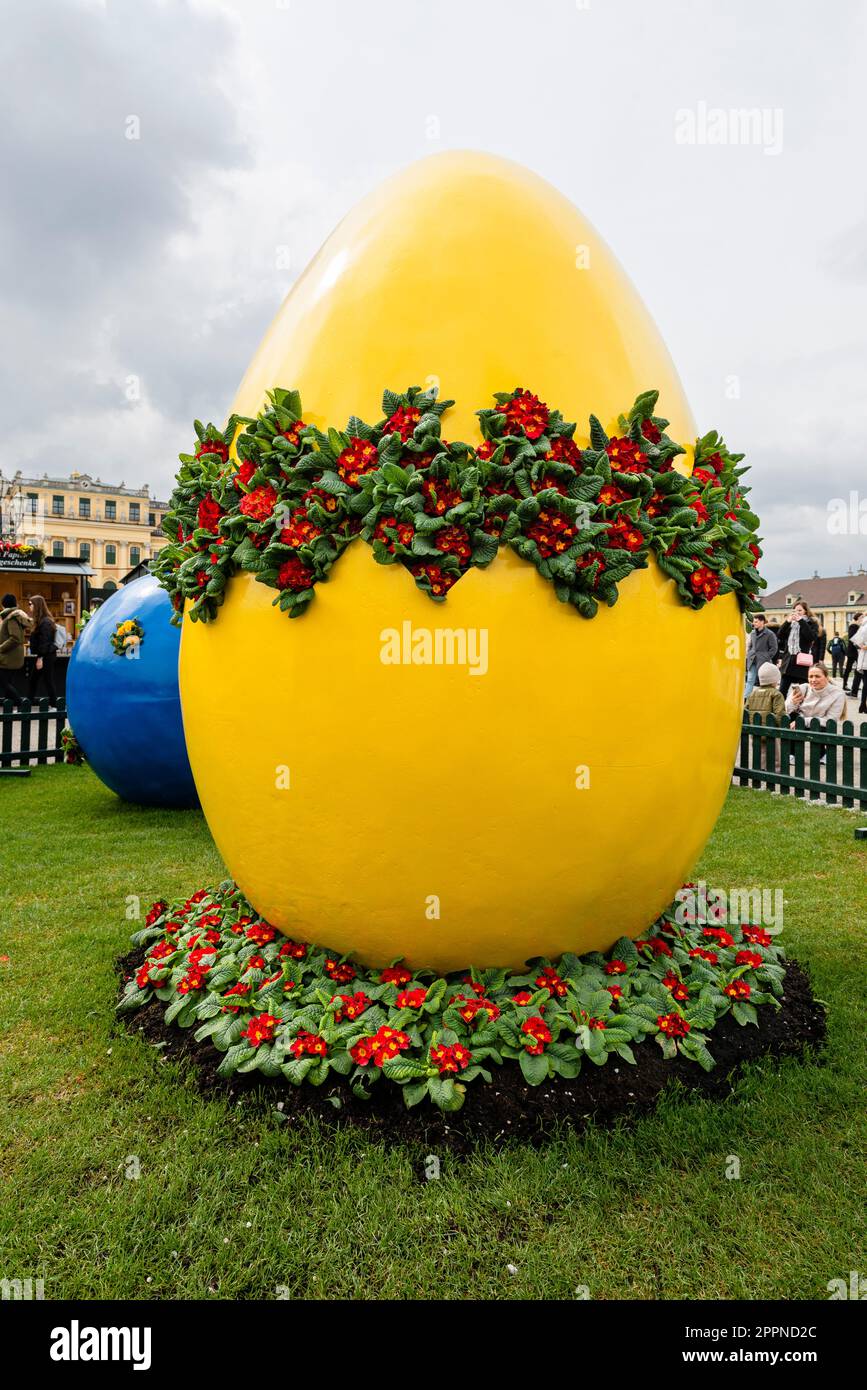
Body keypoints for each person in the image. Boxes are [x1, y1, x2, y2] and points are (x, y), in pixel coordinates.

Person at [745, 661, 786, 772]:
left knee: (760, 750)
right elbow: (779, 713)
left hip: (756, 729)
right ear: (774, 679)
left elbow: (746, 710)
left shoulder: (752, 694)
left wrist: (751, 723)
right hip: (771, 729)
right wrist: (781, 725)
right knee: (775, 751)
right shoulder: (776, 694)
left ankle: (760, 768)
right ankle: (775, 769)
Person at [777, 601, 819, 698]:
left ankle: (799, 711)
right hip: (788, 662)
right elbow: (780, 635)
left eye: (800, 610)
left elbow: (811, 637)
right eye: (795, 610)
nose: (797, 612)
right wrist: (787, 622)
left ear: (805, 611)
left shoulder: (811, 622)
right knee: (782, 691)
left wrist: (801, 621)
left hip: (801, 663)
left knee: (802, 692)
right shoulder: (791, 624)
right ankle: (781, 711)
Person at [785, 662, 847, 727]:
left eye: (817, 676)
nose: (813, 680)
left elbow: (830, 720)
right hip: (797, 726)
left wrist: (804, 721)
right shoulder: (803, 688)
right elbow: (786, 710)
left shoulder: (838, 694)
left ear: (826, 677)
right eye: (810, 677)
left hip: (820, 730)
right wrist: (792, 702)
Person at [27, 594, 58, 704]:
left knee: (45, 680)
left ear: (37, 605)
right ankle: (28, 704)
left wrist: (40, 658)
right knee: (36, 680)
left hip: (46, 656)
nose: (29, 606)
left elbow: (44, 642)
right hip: (45, 655)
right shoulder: (42, 620)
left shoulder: (45, 622)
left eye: (30, 604)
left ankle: (54, 704)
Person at [0, 592, 30, 705]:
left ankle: (21, 703)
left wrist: (1, 648)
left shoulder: (10, 617)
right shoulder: (13, 616)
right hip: (12, 656)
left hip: (8, 656)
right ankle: (11, 708)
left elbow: (15, 638)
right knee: (7, 682)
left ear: (3, 604)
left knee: (3, 682)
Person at [744, 613, 777, 697]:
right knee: (750, 680)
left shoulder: (770, 634)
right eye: (754, 622)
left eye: (756, 622)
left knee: (764, 682)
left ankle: (764, 699)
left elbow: (774, 649)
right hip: (752, 660)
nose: (754, 623)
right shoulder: (752, 633)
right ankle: (746, 699)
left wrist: (766, 657)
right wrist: (749, 654)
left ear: (762, 622)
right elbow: (750, 645)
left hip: (763, 662)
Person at [842, 612, 863, 694]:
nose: (862, 618)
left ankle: (856, 686)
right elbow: (852, 638)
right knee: (848, 669)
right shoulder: (853, 626)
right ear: (857, 618)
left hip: (857, 652)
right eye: (861, 617)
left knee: (859, 669)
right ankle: (844, 685)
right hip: (852, 651)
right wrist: (859, 646)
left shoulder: (859, 626)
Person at [851, 617, 867, 716]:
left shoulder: (864, 624)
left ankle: (863, 705)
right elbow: (857, 641)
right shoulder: (864, 624)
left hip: (864, 658)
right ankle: (863, 705)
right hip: (864, 657)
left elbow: (856, 641)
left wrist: (861, 645)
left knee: (866, 682)